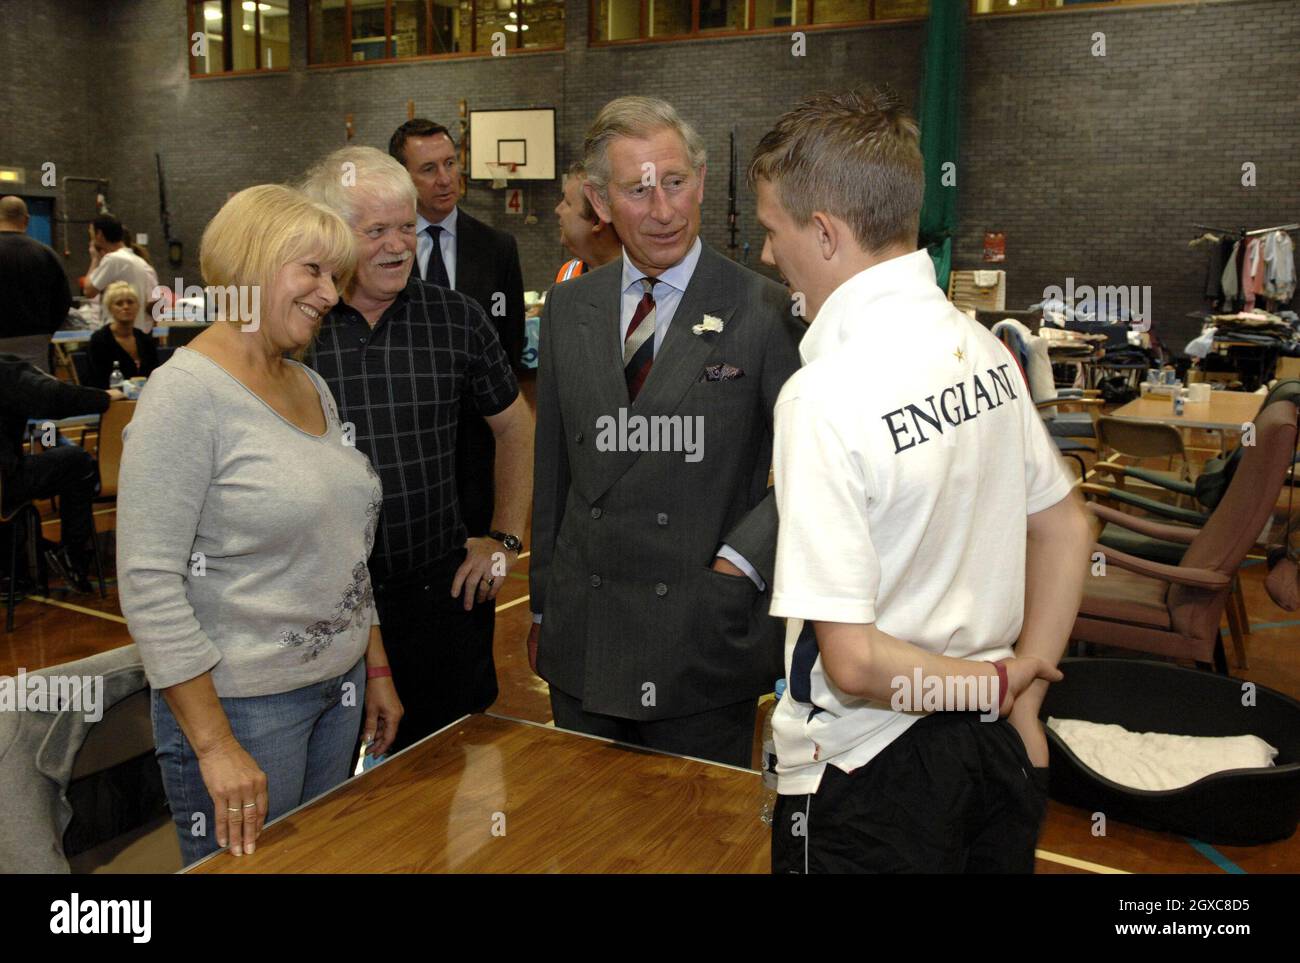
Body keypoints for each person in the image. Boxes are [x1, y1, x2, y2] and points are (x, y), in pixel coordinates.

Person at [751, 87, 1091, 874]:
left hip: (865, 781)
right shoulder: (979, 346)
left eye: (773, 231)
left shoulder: (823, 394)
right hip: (991, 750)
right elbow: (1068, 527)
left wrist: (999, 684)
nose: (767, 255)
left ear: (826, 234)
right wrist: (1020, 699)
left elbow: (856, 664)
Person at [116, 185, 403, 864]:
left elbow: (346, 550)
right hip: (243, 709)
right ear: (251, 264)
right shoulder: (184, 395)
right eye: (313, 271)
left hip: (338, 692)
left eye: (335, 277)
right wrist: (214, 745)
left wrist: (376, 665)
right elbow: (150, 582)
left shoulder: (310, 384)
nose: (330, 294)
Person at [528, 96, 803, 767]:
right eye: (637, 189)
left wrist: (740, 562)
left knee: (695, 840)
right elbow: (554, 470)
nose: (663, 210)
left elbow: (814, 464)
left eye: (676, 183)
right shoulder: (570, 306)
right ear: (598, 200)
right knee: (585, 835)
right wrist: (542, 605)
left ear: (702, 182)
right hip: (586, 639)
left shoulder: (764, 309)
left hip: (698, 640)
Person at [300, 146, 534, 754]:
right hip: (323, 602)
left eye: (407, 226)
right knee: (329, 792)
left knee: (444, 771)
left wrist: (504, 539)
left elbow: (515, 429)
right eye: (375, 230)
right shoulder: (297, 329)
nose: (398, 245)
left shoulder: (456, 319)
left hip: (439, 595)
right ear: (330, 235)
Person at [388, 119, 526, 551]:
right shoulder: (382, 250)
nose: (445, 179)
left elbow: (510, 344)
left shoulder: (497, 247)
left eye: (450, 163)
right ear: (402, 177)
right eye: (428, 169)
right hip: (399, 443)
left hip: (475, 446)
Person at [0, 355, 121, 594]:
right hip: (6, 485)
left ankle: (14, 570)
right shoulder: (5, 372)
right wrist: (105, 397)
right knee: (76, 460)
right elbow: (53, 398)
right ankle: (73, 557)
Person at [0, 195, 71, 372]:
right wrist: (46, 332)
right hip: (36, 342)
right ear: (26, 220)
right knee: (36, 394)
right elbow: (63, 300)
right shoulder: (46, 254)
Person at [82, 214, 159, 333]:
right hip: (139, 332)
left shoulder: (113, 259)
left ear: (99, 235)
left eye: (91, 234)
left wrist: (94, 259)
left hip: (119, 335)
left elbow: (88, 291)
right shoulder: (140, 261)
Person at [554, 162, 622, 282]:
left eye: (568, 203)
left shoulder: (643, 287)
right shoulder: (568, 273)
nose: (558, 210)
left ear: (598, 220)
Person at [86, 281, 160, 388]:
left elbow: (155, 376)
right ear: (110, 308)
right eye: (119, 303)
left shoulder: (145, 339)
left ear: (138, 306)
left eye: (130, 302)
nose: (125, 307)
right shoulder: (99, 340)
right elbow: (97, 381)